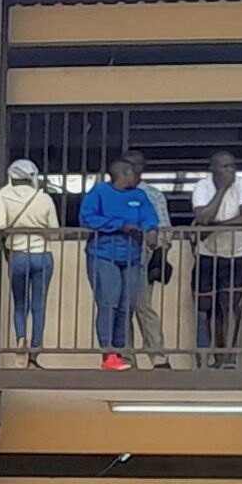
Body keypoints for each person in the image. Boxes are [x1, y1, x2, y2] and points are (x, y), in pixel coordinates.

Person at [80, 152, 168, 371]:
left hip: (131, 257)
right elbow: (87, 217)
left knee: (126, 306)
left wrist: (151, 231)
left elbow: (150, 216)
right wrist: (120, 225)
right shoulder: (100, 192)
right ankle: (110, 353)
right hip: (103, 255)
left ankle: (121, 354)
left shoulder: (139, 195)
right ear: (123, 174)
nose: (136, 176)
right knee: (109, 303)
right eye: (132, 172)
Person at [187, 150, 242, 367]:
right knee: (208, 308)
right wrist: (222, 189)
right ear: (212, 168)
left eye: (232, 166)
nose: (230, 171)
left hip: (237, 254)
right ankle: (216, 357)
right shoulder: (203, 186)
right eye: (224, 167)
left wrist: (214, 227)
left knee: (230, 305)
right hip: (208, 254)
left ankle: (229, 358)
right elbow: (203, 216)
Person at [0, 158, 60, 366]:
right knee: (39, 305)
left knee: (20, 304)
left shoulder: (3, 195)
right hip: (42, 255)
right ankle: (35, 351)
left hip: (18, 255)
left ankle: (21, 337)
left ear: (11, 176)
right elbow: (54, 233)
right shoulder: (44, 198)